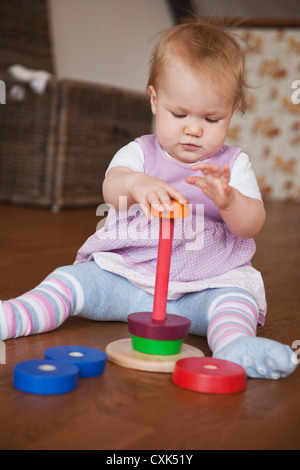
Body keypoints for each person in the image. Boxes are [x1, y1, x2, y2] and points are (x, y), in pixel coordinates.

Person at [0, 19, 296, 379]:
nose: (193, 128)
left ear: (232, 110)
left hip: (202, 287)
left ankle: (235, 346)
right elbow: (112, 188)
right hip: (128, 275)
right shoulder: (140, 152)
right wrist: (136, 184)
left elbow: (252, 225)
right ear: (155, 100)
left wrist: (230, 201)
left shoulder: (234, 165)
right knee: (69, 280)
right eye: (179, 113)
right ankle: (13, 316)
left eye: (211, 118)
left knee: (235, 302)